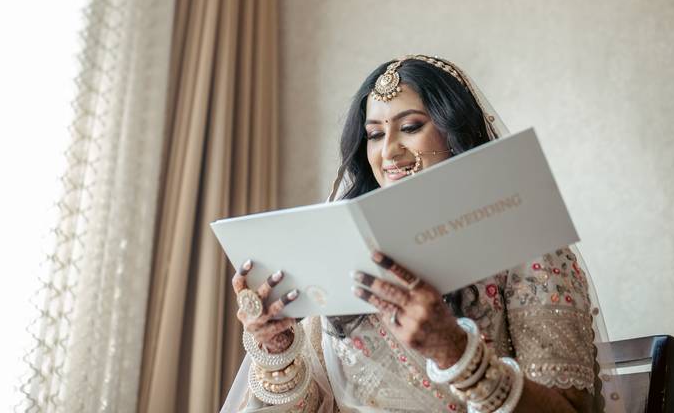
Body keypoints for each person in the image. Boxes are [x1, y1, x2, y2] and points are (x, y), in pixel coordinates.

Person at [222, 55, 624, 413]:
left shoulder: (525, 244)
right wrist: (278, 349)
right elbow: (316, 406)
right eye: (375, 134)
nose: (389, 152)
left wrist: (454, 351)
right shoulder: (344, 254)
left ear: (455, 132)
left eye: (410, 127)